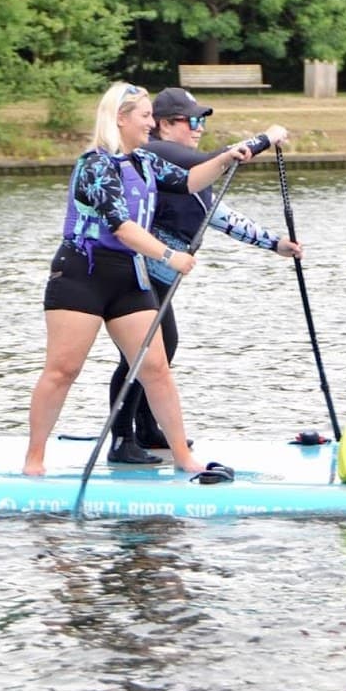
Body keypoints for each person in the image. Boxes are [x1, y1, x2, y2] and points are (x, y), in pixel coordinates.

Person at [23, 82, 253, 477]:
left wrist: (227, 159)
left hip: (129, 276)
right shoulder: (95, 166)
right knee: (63, 370)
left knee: (156, 369)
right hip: (82, 274)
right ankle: (34, 459)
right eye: (145, 116)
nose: (151, 123)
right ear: (120, 119)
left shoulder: (145, 161)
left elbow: (189, 180)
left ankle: (182, 455)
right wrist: (169, 255)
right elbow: (124, 226)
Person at [105, 87, 301, 463]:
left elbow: (221, 216)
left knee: (163, 348)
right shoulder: (153, 152)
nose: (198, 128)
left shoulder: (189, 169)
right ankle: (120, 439)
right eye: (191, 120)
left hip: (162, 277)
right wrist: (265, 138)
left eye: (202, 120)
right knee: (139, 356)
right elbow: (222, 158)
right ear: (163, 125)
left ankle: (145, 429)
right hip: (137, 271)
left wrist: (275, 244)